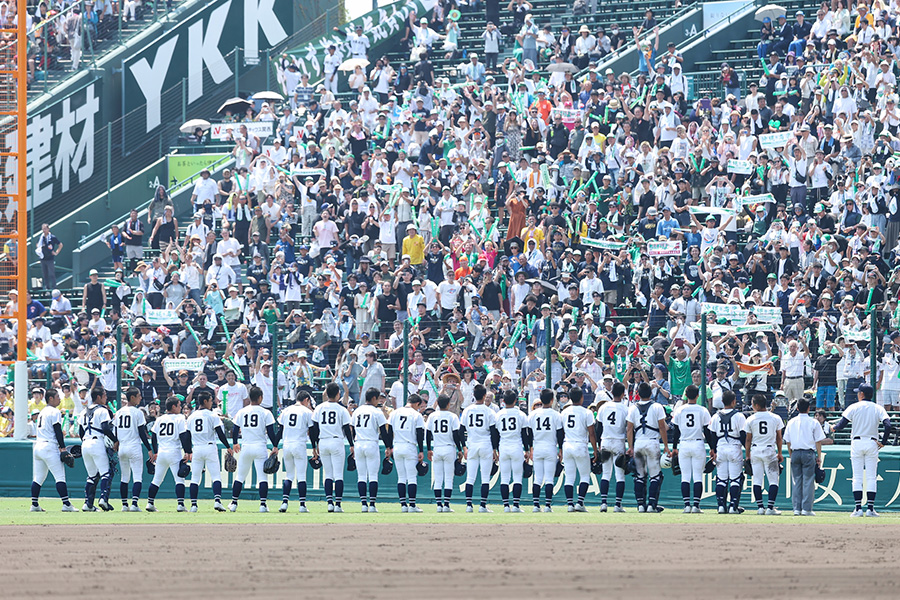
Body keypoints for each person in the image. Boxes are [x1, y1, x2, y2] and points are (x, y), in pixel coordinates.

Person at [832, 384, 894, 517]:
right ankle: (870, 508)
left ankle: (858, 508)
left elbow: (842, 425)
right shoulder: (878, 408)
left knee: (857, 477)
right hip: (872, 442)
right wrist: (883, 442)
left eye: (858, 392)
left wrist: (833, 428)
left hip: (857, 442)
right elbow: (888, 425)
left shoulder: (854, 407)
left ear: (861, 394)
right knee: (871, 477)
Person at [229, 386, 278, 512]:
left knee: (240, 476)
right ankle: (262, 505)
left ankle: (234, 503)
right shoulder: (265, 412)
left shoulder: (242, 411)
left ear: (250, 397)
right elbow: (271, 432)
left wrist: (235, 443)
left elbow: (234, 429)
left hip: (246, 446)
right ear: (260, 397)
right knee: (262, 478)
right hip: (260, 447)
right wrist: (275, 445)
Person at [30, 388, 77, 512]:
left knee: (38, 478)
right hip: (49, 446)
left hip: (38, 446)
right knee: (60, 476)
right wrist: (62, 448)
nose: (59, 399)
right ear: (50, 398)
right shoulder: (54, 411)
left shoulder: (42, 411)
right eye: (57, 397)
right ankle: (66, 504)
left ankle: (34, 505)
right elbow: (57, 430)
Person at [186, 389, 233, 512]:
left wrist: (188, 451)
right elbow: (220, 433)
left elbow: (186, 435)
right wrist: (228, 446)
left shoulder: (191, 416)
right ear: (205, 401)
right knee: (216, 476)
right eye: (211, 400)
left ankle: (194, 505)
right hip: (210, 446)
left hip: (196, 448)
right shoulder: (212, 415)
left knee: (195, 478)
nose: (212, 403)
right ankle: (217, 501)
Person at [626, 382, 668, 513]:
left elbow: (629, 429)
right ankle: (651, 505)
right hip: (652, 442)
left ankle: (640, 505)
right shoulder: (657, 406)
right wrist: (666, 446)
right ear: (651, 393)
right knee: (655, 476)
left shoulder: (633, 408)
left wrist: (630, 446)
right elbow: (662, 427)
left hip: (639, 442)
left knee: (639, 475)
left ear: (637, 393)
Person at [669, 384, 711, 513]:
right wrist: (712, 448)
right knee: (698, 476)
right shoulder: (703, 410)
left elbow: (675, 431)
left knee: (685, 476)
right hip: (698, 443)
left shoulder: (679, 410)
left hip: (684, 443)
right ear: (698, 396)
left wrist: (674, 447)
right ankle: (696, 506)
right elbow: (707, 431)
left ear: (685, 395)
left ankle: (687, 505)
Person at [145, 396, 191, 512]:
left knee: (157, 479)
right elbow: (183, 435)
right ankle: (180, 504)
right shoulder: (180, 418)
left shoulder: (160, 418)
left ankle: (150, 503)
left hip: (161, 452)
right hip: (174, 451)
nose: (180, 407)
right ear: (174, 406)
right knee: (179, 480)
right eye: (179, 405)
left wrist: (155, 451)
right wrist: (188, 451)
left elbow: (154, 435)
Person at [312, 382, 353, 512]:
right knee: (338, 475)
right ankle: (338, 505)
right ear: (337, 394)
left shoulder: (319, 407)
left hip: (323, 441)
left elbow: (314, 429)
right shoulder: (342, 409)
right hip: (336, 441)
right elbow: (347, 428)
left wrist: (314, 445)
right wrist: (351, 444)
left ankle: (329, 502)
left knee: (328, 474)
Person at [783, 397, 825, 516]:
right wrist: (819, 456)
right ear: (809, 408)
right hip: (808, 453)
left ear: (797, 408)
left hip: (795, 452)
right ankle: (806, 509)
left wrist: (791, 454)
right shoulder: (813, 422)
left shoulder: (791, 422)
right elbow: (818, 441)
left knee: (796, 481)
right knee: (808, 481)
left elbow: (788, 441)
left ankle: (797, 508)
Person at [113, 387, 153, 511]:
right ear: (132, 397)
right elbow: (142, 433)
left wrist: (116, 442)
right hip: (134, 446)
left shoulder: (119, 412)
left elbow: (115, 431)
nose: (140, 398)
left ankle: (124, 505)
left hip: (122, 446)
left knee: (124, 477)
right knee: (137, 477)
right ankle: (134, 504)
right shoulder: (137, 412)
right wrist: (149, 449)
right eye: (138, 396)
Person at [744, 393, 784, 515]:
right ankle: (770, 508)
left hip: (756, 450)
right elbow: (779, 437)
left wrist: (747, 454)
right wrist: (780, 453)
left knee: (757, 479)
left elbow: (748, 439)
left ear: (756, 405)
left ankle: (760, 507)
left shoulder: (751, 419)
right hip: (769, 450)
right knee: (773, 480)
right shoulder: (775, 417)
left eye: (752, 403)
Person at [275, 390, 316, 513]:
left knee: (289, 476)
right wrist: (314, 447)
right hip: (299, 444)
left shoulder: (286, 410)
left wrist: (275, 446)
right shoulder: (307, 412)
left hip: (287, 444)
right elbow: (313, 432)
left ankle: (284, 503)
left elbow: (280, 430)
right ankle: (302, 505)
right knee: (301, 476)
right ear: (306, 400)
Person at [461, 384, 499, 512]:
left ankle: (468, 505)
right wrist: (495, 449)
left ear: (473, 395)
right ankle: (482, 506)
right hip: (485, 444)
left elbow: (461, 430)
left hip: (472, 444)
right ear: (484, 396)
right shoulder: (489, 411)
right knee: (485, 478)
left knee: (470, 477)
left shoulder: (467, 410)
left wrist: (464, 447)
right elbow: (494, 432)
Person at [351, 388, 390, 513]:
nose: (378, 401)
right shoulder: (377, 412)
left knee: (361, 476)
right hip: (371, 443)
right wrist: (388, 447)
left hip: (358, 443)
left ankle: (363, 504)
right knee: (373, 476)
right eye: (378, 398)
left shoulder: (357, 411)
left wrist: (352, 444)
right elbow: (384, 432)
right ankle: (372, 504)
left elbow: (352, 429)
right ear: (374, 398)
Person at [386, 392, 426, 512]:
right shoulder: (416, 415)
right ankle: (412, 505)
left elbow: (388, 431)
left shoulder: (395, 412)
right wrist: (421, 450)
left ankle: (403, 505)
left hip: (397, 446)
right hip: (410, 446)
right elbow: (420, 433)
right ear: (417, 404)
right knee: (412, 477)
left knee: (401, 477)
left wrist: (389, 447)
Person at [708, 390, 746, 514]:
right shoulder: (739, 416)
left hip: (720, 448)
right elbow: (742, 434)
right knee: (735, 479)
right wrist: (747, 449)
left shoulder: (715, 416)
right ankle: (733, 506)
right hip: (734, 447)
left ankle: (721, 506)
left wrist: (713, 450)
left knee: (721, 479)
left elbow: (712, 435)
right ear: (734, 401)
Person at [78, 388, 117, 512]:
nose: (106, 398)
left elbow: (80, 431)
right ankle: (103, 499)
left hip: (85, 443)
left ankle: (88, 504)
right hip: (97, 442)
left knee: (92, 476)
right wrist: (116, 440)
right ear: (99, 397)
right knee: (106, 473)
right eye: (104, 395)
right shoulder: (102, 410)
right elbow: (105, 428)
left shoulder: (83, 411)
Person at [560, 386, 598, 512]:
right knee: (584, 476)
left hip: (567, 444)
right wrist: (595, 450)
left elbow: (560, 432)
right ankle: (580, 503)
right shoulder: (587, 412)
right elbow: (592, 433)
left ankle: (570, 504)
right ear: (581, 398)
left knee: (569, 477)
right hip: (580, 444)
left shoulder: (564, 412)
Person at [528, 388, 563, 512]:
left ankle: (536, 506)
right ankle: (548, 506)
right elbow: (560, 434)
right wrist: (561, 449)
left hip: (537, 447)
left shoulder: (533, 414)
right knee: (549, 478)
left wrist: (530, 448)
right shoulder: (556, 415)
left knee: (537, 478)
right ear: (552, 400)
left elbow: (529, 433)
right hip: (550, 448)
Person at [427, 393, 463, 512]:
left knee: (438, 478)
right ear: (448, 404)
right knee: (448, 478)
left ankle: (438, 505)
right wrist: (460, 449)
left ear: (437, 403)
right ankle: (446, 505)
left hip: (437, 447)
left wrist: (428, 449)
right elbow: (456, 434)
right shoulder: (452, 416)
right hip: (449, 447)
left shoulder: (432, 416)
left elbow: (428, 434)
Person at [595, 381, 628, 512]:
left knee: (606, 473)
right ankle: (617, 505)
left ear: (612, 392)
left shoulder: (604, 407)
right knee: (620, 475)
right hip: (618, 441)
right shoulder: (625, 408)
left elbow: (598, 427)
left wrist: (598, 444)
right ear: (623, 394)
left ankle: (604, 503)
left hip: (605, 441)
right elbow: (629, 428)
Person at [496, 389, 530, 512]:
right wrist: (527, 450)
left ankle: (506, 506)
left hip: (503, 447)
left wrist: (495, 449)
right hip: (516, 446)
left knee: (504, 477)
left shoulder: (499, 414)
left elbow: (495, 434)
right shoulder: (521, 414)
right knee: (517, 477)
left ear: (503, 401)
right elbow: (525, 434)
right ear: (516, 401)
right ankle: (516, 505)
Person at [36, 223, 62, 290]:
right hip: (43, 258)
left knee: (51, 274)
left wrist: (56, 252)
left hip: (50, 258)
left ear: (48, 229)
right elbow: (37, 244)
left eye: (45, 228)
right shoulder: (41, 237)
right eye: (43, 229)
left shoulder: (52, 237)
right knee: (45, 274)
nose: (44, 230)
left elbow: (60, 244)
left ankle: (54, 287)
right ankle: (47, 287)